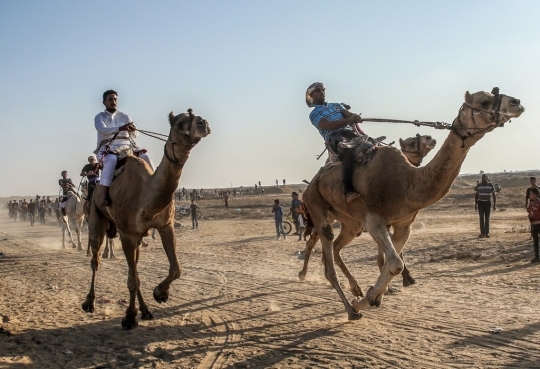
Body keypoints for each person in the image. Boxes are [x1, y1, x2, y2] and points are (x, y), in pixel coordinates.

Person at [94, 90, 155, 206]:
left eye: (115, 99)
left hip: (128, 147)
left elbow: (136, 135)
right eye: (110, 99)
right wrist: (120, 128)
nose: (113, 102)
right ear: (104, 102)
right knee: (111, 160)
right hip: (109, 147)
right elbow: (103, 130)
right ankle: (104, 192)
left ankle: (155, 185)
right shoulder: (99, 117)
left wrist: (133, 129)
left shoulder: (125, 116)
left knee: (145, 156)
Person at [306, 82, 364, 203]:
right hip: (335, 137)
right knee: (347, 151)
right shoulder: (314, 114)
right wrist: (349, 119)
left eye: (323, 90)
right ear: (310, 95)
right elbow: (328, 125)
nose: (322, 92)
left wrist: (355, 117)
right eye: (318, 90)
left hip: (350, 133)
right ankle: (348, 191)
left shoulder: (337, 106)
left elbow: (349, 115)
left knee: (373, 147)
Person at [474, 174, 497, 238]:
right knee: (481, 218)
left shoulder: (490, 185)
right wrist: (475, 204)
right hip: (480, 203)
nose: (483, 179)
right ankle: (482, 233)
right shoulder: (479, 185)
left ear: (487, 178)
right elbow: (476, 195)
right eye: (482, 177)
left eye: (484, 177)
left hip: (488, 203)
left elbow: (493, 195)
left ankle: (487, 233)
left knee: (487, 218)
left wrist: (494, 205)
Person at [527, 187, 540, 263]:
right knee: (535, 241)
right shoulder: (531, 204)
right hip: (533, 224)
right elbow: (530, 212)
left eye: (531, 194)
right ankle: (536, 257)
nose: (530, 195)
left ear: (535, 195)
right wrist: (530, 218)